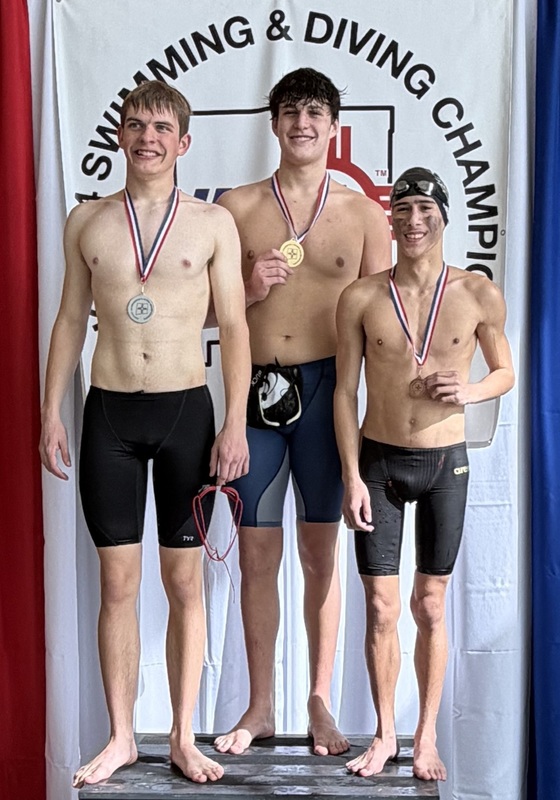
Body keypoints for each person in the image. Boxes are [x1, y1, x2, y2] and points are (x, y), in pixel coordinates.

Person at [39, 80, 251, 787]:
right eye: (135, 125)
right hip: (109, 415)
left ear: (183, 142)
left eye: (161, 126)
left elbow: (238, 324)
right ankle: (124, 735)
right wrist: (49, 413)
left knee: (183, 580)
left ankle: (185, 737)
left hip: (186, 412)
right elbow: (70, 320)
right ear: (120, 137)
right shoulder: (88, 222)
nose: (147, 137)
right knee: (118, 582)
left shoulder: (213, 224)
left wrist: (235, 422)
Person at [212, 67, 392, 757]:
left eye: (315, 111)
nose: (302, 123)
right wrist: (248, 287)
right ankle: (258, 706)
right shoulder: (235, 207)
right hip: (253, 395)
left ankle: (318, 701)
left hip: (329, 398)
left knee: (321, 556)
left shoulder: (363, 214)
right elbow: (202, 312)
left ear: (334, 125)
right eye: (290, 111)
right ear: (273, 122)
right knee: (258, 557)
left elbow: (387, 323)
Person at [334, 167, 515, 781]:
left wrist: (467, 391)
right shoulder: (361, 296)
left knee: (430, 605)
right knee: (382, 607)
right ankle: (385, 733)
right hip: (379, 460)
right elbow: (343, 393)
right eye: (403, 208)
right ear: (391, 217)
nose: (413, 220)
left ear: (443, 216)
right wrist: (351, 476)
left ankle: (425, 734)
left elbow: (506, 373)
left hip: (445, 462)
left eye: (425, 209)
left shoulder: (477, 293)